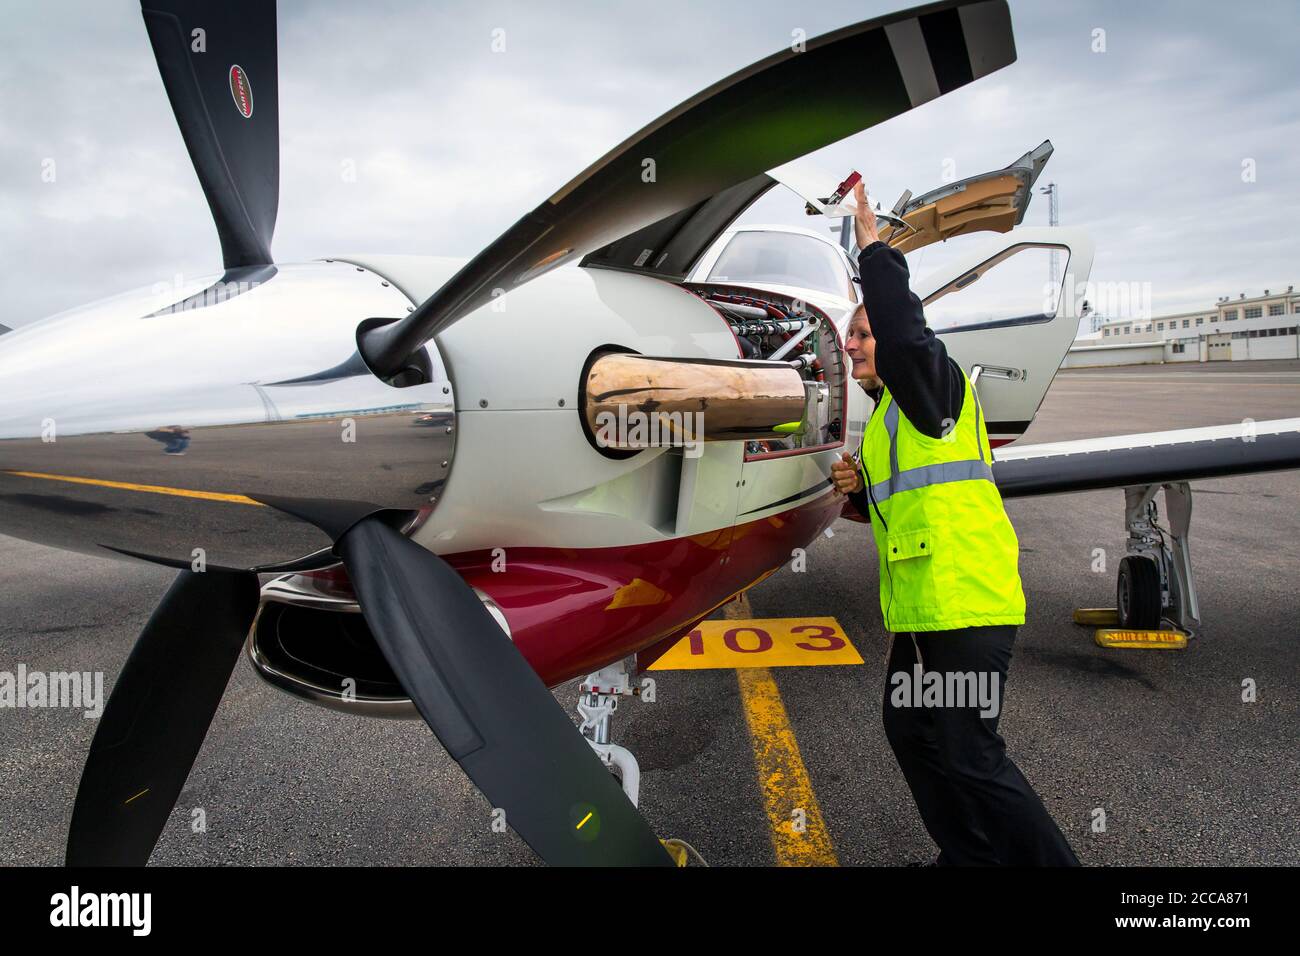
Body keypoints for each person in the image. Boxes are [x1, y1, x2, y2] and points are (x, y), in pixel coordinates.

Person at [830, 181, 1078, 866]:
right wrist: (857, 489)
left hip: (966, 603)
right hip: (924, 615)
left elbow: (907, 337)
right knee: (911, 730)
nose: (851, 346)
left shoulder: (933, 388)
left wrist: (874, 249)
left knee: (971, 756)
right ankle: (969, 858)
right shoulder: (886, 418)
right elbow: (903, 505)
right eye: (850, 334)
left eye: (862, 332)